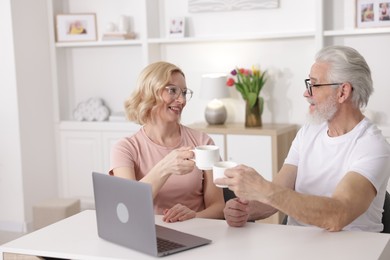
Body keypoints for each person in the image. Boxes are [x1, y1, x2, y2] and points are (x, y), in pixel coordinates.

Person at [215, 45, 390, 232]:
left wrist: (262, 188)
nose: (306, 93)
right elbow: (278, 193)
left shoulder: (372, 146)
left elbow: (338, 215)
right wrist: (246, 210)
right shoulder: (309, 132)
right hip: (298, 244)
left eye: (314, 85)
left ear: (342, 92)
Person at [110, 61, 225, 223]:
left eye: (184, 93)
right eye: (172, 91)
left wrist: (193, 217)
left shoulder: (202, 142)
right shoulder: (125, 148)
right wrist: (165, 168)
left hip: (198, 233)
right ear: (149, 93)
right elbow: (128, 206)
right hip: (149, 234)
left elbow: (218, 207)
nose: (181, 100)